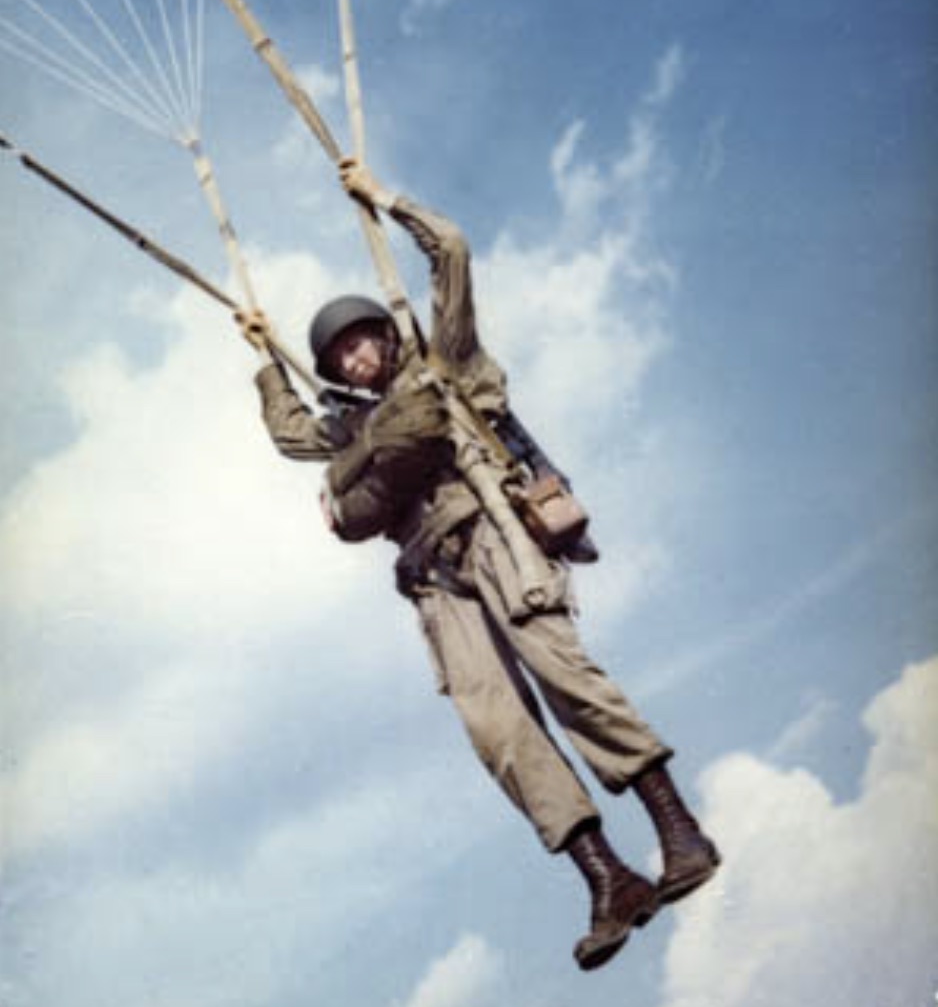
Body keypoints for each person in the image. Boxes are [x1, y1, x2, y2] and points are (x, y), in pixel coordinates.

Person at [237, 159, 720, 971]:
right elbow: (291, 436)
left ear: (388, 336)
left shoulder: (444, 363)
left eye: (364, 339)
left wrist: (382, 199)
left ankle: (680, 833)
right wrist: (264, 360)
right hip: (436, 586)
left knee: (569, 683)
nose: (356, 357)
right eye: (341, 355)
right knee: (498, 731)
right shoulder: (351, 434)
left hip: (497, 541)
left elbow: (452, 252)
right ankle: (609, 881)